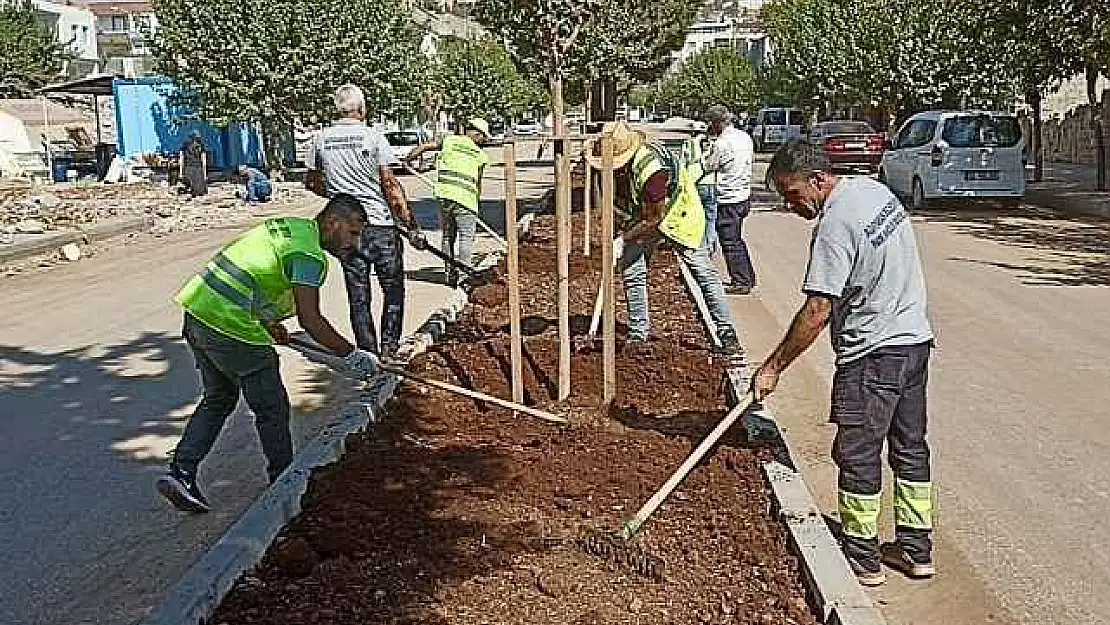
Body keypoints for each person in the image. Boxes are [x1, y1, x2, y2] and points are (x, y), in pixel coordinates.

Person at [752, 139, 936, 586]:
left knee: (858, 454)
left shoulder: (836, 224)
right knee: (910, 449)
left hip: (872, 357)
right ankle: (917, 551)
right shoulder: (873, 193)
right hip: (914, 345)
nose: (789, 204)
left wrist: (774, 366)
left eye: (792, 193)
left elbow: (817, 310)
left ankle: (863, 556)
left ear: (817, 179)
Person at [157, 195, 381, 513]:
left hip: (199, 314)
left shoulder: (293, 229)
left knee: (219, 398)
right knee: (271, 408)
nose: (354, 243)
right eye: (353, 232)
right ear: (333, 223)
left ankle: (181, 472)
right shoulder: (309, 255)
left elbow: (256, 273)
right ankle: (285, 482)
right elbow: (311, 320)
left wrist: (268, 320)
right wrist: (352, 355)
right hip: (230, 324)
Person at [584, 122, 740, 355]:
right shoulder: (622, 170)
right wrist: (620, 228)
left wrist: (623, 239)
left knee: (702, 272)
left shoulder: (653, 171)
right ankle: (638, 333)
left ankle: (727, 333)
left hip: (679, 213)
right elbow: (624, 203)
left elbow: (655, 217)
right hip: (645, 215)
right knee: (632, 269)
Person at [306, 84, 426, 359]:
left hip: (344, 231)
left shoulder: (320, 139)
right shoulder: (372, 137)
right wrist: (411, 226)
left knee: (358, 294)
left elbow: (312, 181)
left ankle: (368, 354)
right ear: (361, 108)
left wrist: (337, 195)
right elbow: (390, 185)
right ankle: (388, 348)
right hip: (380, 227)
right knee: (392, 287)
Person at [404, 118, 490, 287]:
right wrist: (475, 202)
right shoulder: (481, 156)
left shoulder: (449, 141)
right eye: (483, 137)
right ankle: (465, 277)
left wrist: (408, 160)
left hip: (445, 197)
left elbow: (424, 147)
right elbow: (478, 183)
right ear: (477, 133)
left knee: (448, 236)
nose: (484, 141)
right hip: (466, 200)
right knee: (466, 238)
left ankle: (449, 274)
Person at [703, 105, 755, 294]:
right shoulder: (744, 137)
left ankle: (741, 281)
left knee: (730, 242)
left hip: (728, 198)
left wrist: (708, 144)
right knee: (737, 239)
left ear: (717, 123)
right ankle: (748, 276)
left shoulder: (722, 144)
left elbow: (709, 166)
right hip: (743, 196)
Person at [680, 121, 719, 255]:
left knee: (695, 215)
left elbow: (682, 164)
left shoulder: (689, 144)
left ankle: (696, 244)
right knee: (711, 216)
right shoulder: (713, 143)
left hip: (694, 184)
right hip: (711, 183)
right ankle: (709, 244)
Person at [179, 131, 208, 198]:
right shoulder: (200, 145)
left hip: (189, 167)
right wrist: (204, 172)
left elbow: (181, 158)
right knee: (199, 191)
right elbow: (203, 159)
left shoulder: (185, 145)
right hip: (198, 168)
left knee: (189, 189)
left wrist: (181, 171)